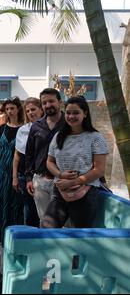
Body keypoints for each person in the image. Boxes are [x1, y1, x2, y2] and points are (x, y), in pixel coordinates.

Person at [43, 96, 108, 228]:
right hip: (60, 190)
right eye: (68, 112)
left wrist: (73, 182)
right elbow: (49, 161)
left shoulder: (96, 138)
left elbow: (99, 170)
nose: (71, 116)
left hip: (86, 194)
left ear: (85, 113)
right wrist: (60, 175)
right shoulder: (59, 136)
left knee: (80, 236)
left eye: (76, 112)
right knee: (47, 230)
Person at [25, 88, 65, 224]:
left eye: (51, 101)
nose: (48, 105)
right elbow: (29, 155)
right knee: (44, 221)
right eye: (44, 103)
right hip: (40, 181)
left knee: (65, 223)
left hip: (63, 181)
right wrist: (29, 178)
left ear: (60, 102)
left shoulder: (69, 124)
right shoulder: (36, 126)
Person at [0, 97, 25, 244]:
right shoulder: (3, 127)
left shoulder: (24, 128)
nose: (9, 111)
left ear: (18, 109)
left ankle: (10, 237)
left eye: (12, 108)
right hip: (1, 167)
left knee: (12, 201)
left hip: (15, 168)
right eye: (7, 109)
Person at [12, 97, 44, 227]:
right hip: (24, 175)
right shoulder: (22, 130)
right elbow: (17, 155)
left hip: (43, 175)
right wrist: (14, 177)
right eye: (28, 110)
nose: (31, 113)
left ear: (41, 110)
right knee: (29, 210)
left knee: (44, 212)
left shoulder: (49, 129)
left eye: (34, 109)